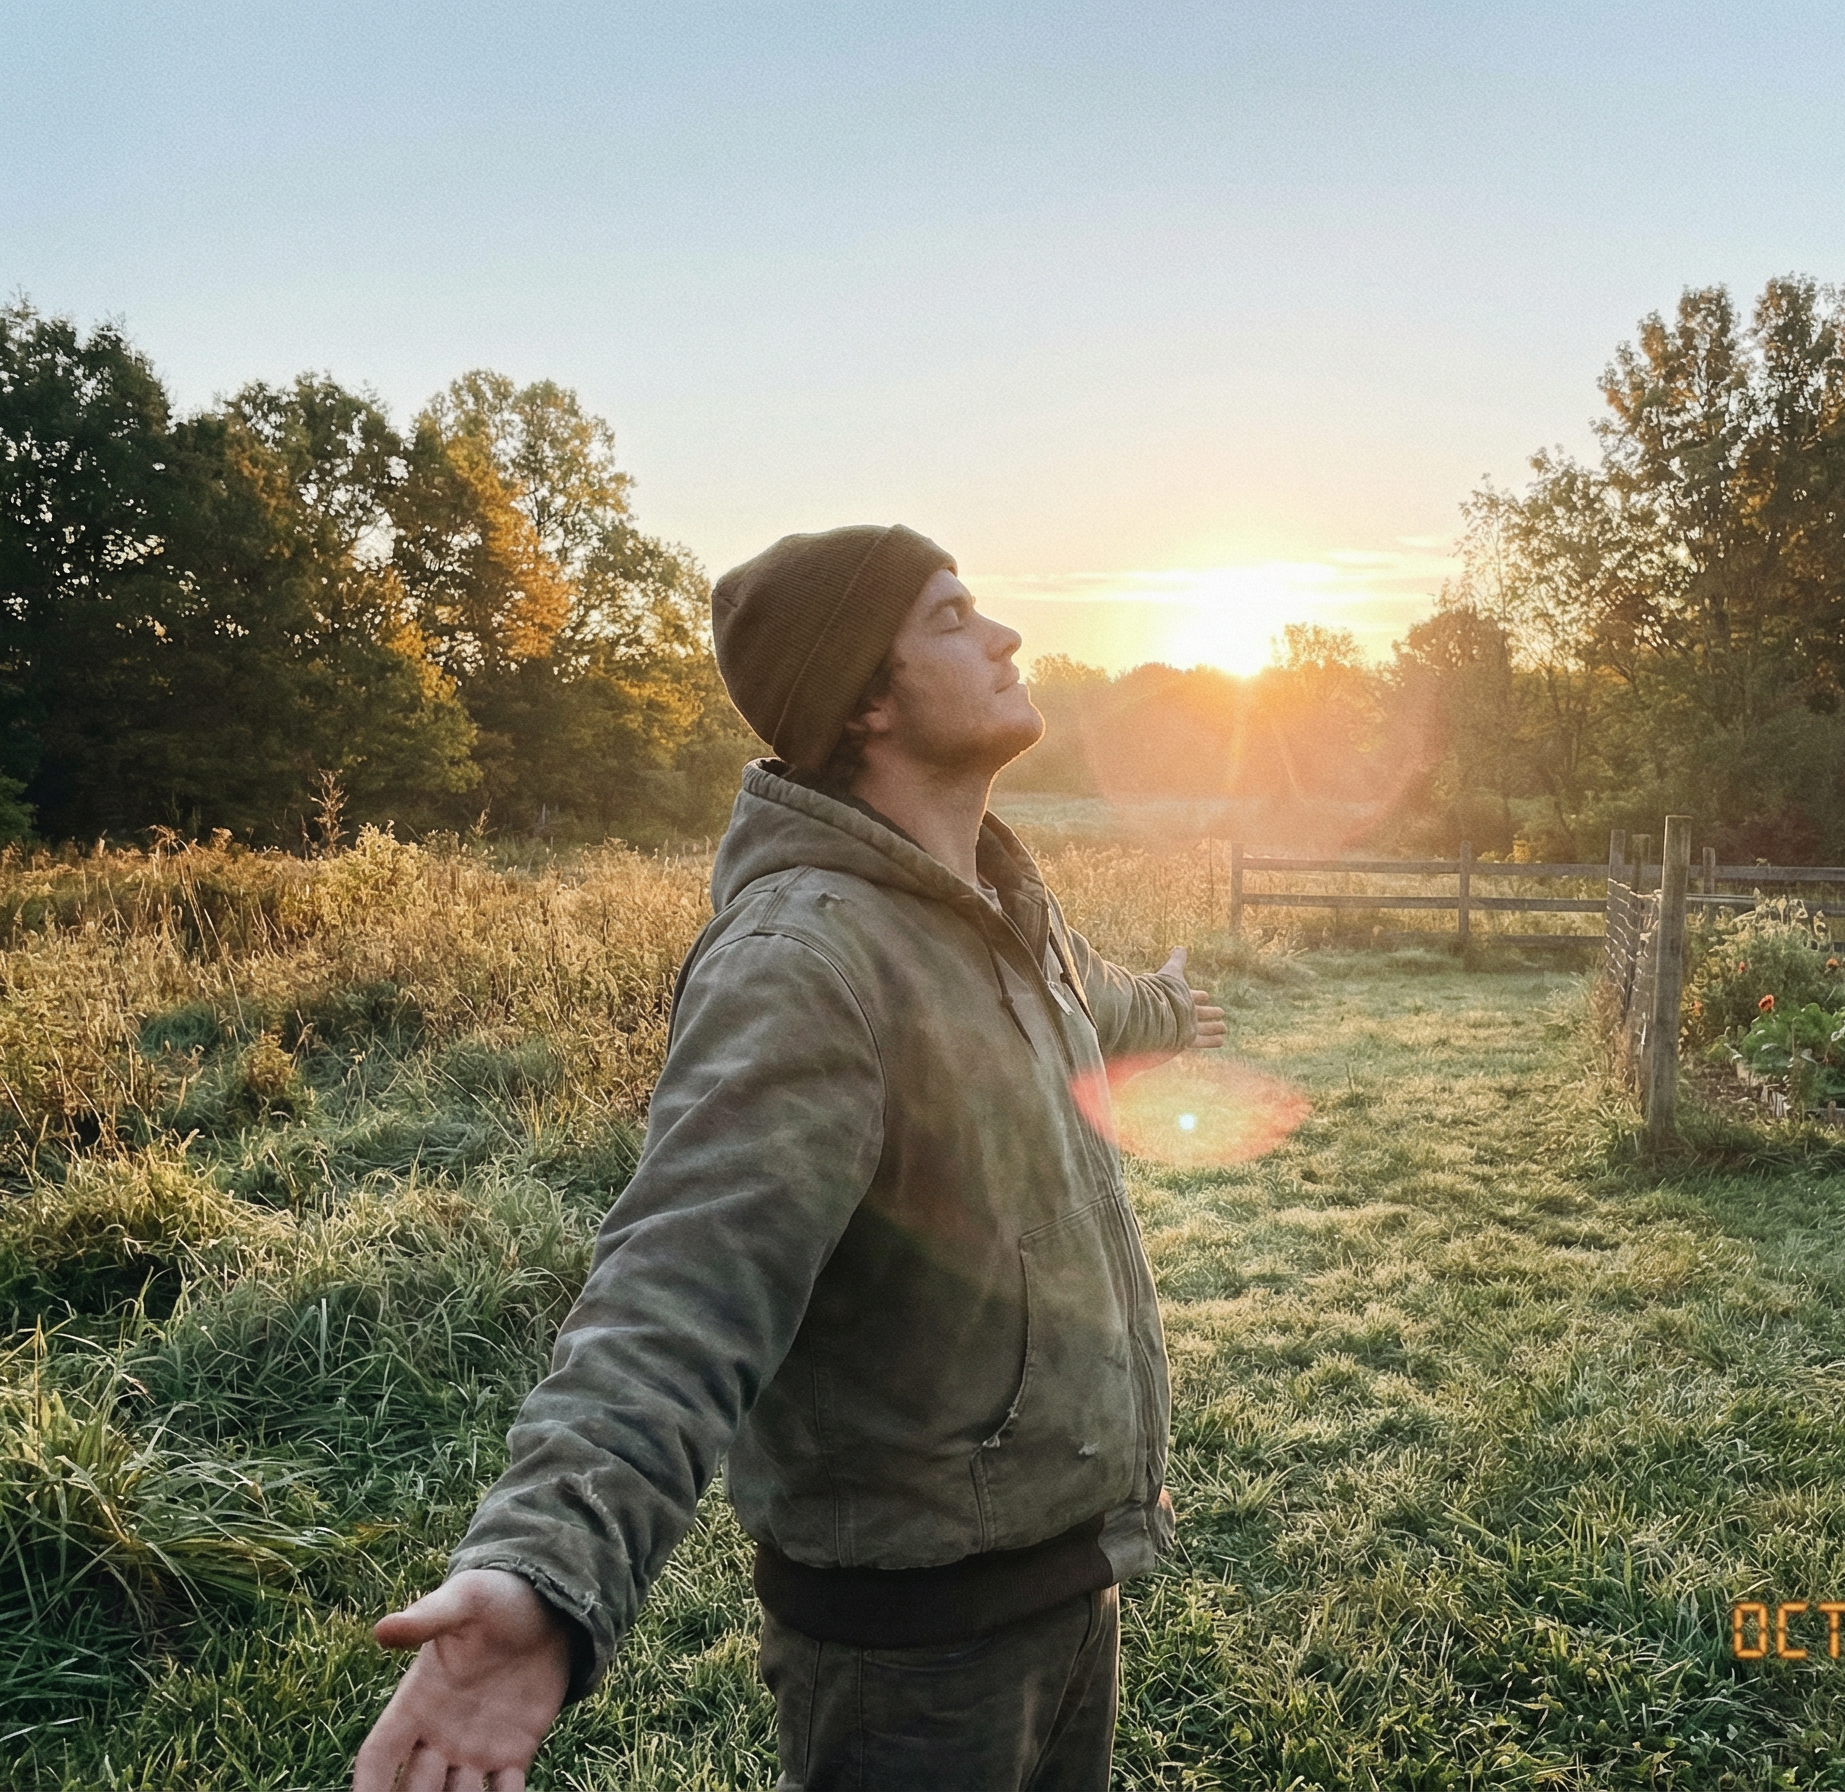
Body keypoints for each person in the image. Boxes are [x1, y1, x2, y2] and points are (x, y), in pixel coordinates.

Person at [352, 524, 1226, 1792]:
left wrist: (1177, 1011)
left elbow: (1101, 1004)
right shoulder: (806, 959)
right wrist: (550, 1557)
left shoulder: (1000, 913)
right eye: (950, 614)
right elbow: (680, 1285)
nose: (1005, 634)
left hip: (1064, 1587)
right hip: (916, 1658)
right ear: (866, 697)